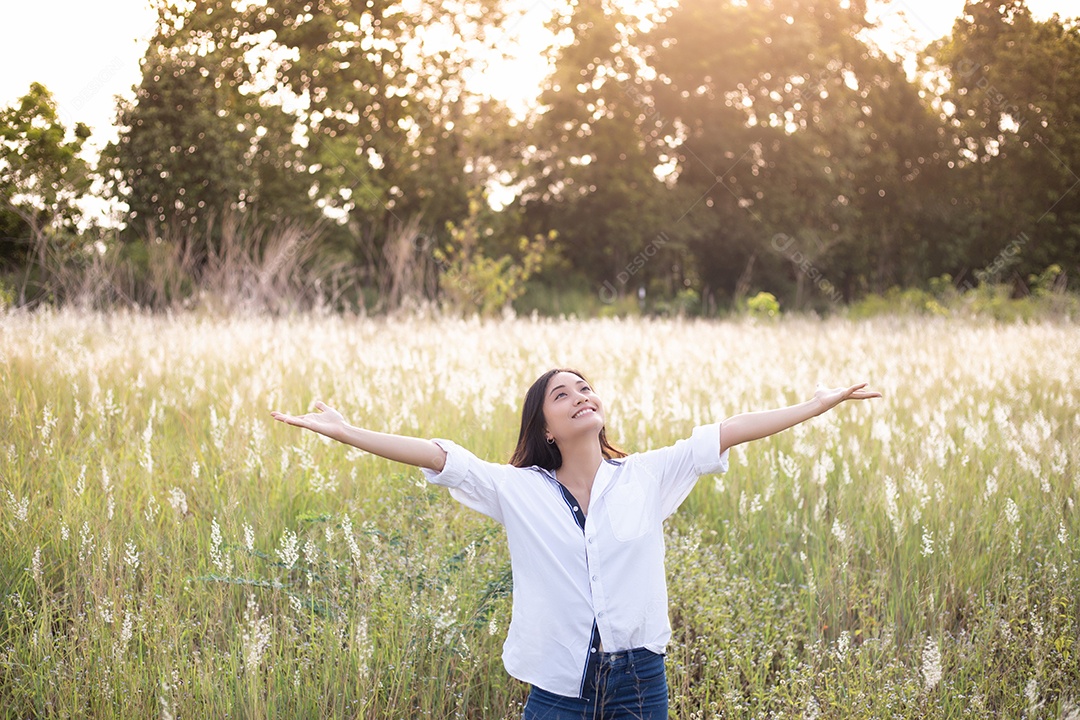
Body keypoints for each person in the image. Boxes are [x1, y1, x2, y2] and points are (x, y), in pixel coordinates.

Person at [270, 368, 881, 719]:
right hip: (558, 685)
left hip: (639, 680)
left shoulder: (647, 475)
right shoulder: (519, 490)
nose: (581, 396)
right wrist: (349, 434)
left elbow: (729, 432)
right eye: (562, 395)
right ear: (545, 427)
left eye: (585, 387)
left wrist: (818, 405)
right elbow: (440, 456)